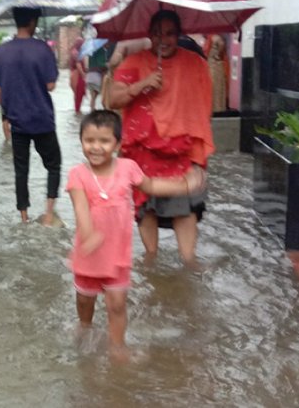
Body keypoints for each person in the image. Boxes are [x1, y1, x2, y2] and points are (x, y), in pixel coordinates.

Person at [67, 110, 205, 361]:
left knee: (117, 303)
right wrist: (88, 234)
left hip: (116, 255)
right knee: (85, 299)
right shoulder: (78, 174)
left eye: (104, 141)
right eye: (89, 141)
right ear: (81, 141)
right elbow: (80, 207)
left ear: (118, 144)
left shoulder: (128, 168)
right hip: (89, 252)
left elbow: (151, 186)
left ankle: (117, 345)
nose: (96, 147)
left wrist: (183, 185)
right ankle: (85, 325)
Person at [107, 10, 214, 266]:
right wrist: (141, 84)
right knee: (146, 210)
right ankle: (151, 264)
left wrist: (198, 158)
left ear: (178, 35)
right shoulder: (134, 62)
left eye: (169, 34)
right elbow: (112, 99)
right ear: (149, 35)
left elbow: (203, 110)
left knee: (185, 212)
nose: (163, 40)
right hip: (142, 153)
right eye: (157, 34)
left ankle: (190, 267)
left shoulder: (196, 63)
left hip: (180, 152)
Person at [0, 7, 61, 225]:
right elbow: (50, 85)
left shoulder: (1, 51)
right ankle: (49, 213)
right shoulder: (42, 49)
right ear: (33, 21)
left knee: (21, 171)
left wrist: (9, 111)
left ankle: (24, 217)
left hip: (17, 121)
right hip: (42, 119)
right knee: (53, 165)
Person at [204, 34, 229, 113]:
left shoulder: (215, 38)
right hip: (212, 65)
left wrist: (217, 55)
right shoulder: (212, 37)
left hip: (214, 66)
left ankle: (216, 108)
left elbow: (221, 45)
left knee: (215, 87)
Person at [69, 37, 86, 115]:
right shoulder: (76, 53)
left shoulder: (74, 51)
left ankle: (77, 110)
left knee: (78, 94)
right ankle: (77, 111)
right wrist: (83, 75)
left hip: (74, 73)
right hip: (77, 74)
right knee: (79, 92)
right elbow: (78, 64)